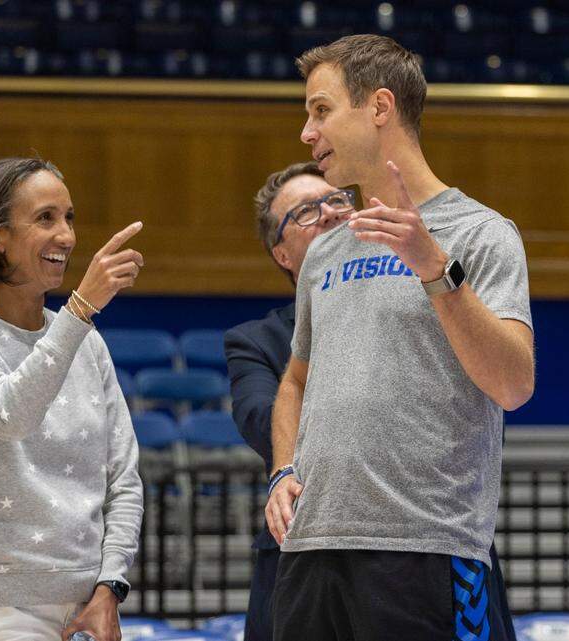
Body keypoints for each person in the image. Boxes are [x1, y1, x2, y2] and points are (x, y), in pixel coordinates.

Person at [266, 35, 534, 641]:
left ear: (379, 107)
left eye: (321, 110)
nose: (306, 133)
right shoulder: (325, 250)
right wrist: (283, 472)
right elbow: (295, 382)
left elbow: (515, 385)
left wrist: (434, 268)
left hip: (427, 552)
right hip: (311, 553)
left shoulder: (482, 235)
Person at [0, 157, 144, 641]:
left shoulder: (87, 340)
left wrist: (110, 586)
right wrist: (80, 310)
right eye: (45, 218)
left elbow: (123, 478)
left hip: (88, 605)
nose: (66, 235)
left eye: (69, 218)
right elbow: (10, 412)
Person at [224, 161, 350, 641]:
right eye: (305, 212)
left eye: (338, 200)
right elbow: (260, 421)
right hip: (298, 556)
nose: (329, 213)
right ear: (281, 253)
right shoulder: (254, 340)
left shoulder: (409, 309)